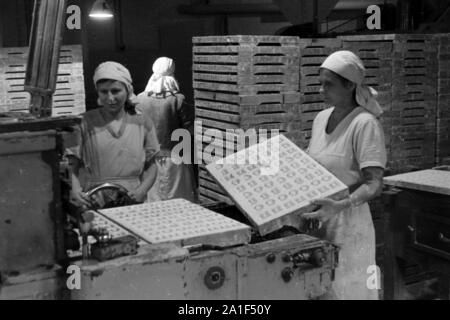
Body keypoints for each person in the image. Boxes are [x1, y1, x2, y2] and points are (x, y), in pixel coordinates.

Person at [303, 50, 387, 300]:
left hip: (349, 225)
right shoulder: (321, 118)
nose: (322, 90)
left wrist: (341, 204)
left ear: (350, 85)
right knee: (320, 290)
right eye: (320, 84)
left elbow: (374, 184)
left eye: (328, 84)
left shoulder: (364, 124)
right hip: (320, 222)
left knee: (347, 291)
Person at [68, 61, 160, 206]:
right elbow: (72, 164)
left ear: (128, 90)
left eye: (116, 91)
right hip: (94, 197)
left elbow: (151, 165)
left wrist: (142, 190)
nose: (110, 98)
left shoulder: (142, 121)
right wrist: (75, 189)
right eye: (104, 92)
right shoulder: (84, 123)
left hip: (131, 196)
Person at [136, 57, 196, 202]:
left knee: (152, 199)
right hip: (175, 160)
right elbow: (190, 131)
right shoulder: (178, 100)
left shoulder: (140, 99)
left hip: (148, 161)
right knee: (177, 198)